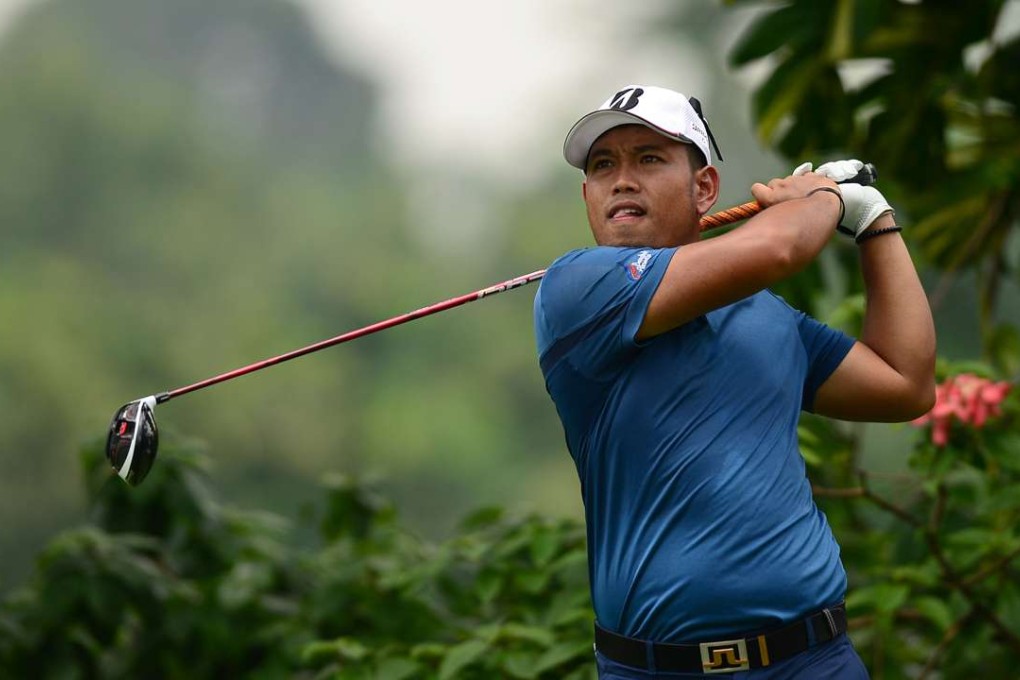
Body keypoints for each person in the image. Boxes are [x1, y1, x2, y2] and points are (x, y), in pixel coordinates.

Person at [533, 85, 936, 678]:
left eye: (648, 158)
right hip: (656, 670)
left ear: (704, 190)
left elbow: (905, 384)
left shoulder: (767, 315)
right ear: (588, 193)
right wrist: (822, 195)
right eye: (602, 166)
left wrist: (874, 222)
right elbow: (778, 246)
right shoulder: (577, 289)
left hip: (814, 661)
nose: (621, 180)